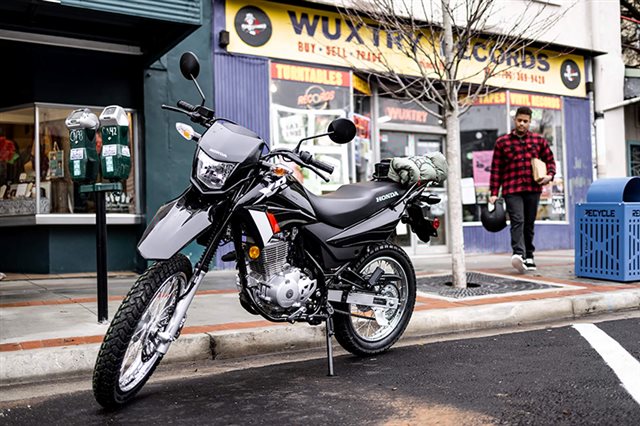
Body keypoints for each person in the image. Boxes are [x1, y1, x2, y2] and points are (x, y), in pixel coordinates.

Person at [488, 106, 555, 273]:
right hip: (512, 188)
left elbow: (550, 161)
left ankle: (529, 255)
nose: (522, 124)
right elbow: (496, 169)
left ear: (530, 122)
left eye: (525, 121)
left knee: (529, 223)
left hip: (533, 188)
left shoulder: (539, 141)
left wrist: (550, 175)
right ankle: (518, 253)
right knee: (518, 220)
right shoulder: (502, 142)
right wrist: (494, 193)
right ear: (514, 120)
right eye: (519, 120)